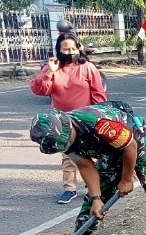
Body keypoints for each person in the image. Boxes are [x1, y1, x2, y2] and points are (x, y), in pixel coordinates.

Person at [29, 102, 146, 235]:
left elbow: (130, 147)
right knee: (94, 198)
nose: (68, 145)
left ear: (67, 125)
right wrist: (96, 198)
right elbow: (85, 166)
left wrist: (126, 179)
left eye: (68, 141)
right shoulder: (60, 138)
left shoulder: (99, 123)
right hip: (109, 152)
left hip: (138, 141)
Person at [30, 32, 107, 204]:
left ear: (79, 48)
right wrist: (49, 72)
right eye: (66, 49)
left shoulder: (87, 67)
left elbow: (98, 93)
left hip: (86, 119)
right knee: (68, 156)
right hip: (63, 122)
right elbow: (40, 90)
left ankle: (93, 187)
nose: (70, 52)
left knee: (90, 153)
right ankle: (69, 188)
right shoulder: (53, 68)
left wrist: (100, 116)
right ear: (59, 50)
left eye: (73, 48)